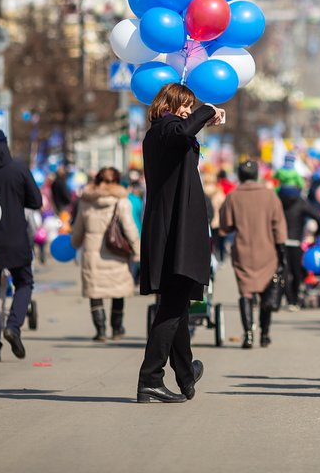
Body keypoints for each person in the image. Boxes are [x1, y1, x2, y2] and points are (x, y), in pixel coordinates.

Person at [137, 83, 225, 403]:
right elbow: (180, 130)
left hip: (175, 230)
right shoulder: (165, 128)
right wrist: (207, 110)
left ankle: (186, 374)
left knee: (178, 305)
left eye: (191, 105)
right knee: (172, 306)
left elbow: (184, 134)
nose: (188, 110)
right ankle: (150, 378)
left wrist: (203, 120)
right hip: (175, 232)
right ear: (168, 105)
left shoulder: (166, 131)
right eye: (183, 104)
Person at [0, 128, 43, 362]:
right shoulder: (19, 169)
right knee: (24, 282)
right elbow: (36, 201)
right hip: (16, 240)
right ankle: (13, 325)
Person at [219, 160, 287, 348]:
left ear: (240, 176)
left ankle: (248, 334)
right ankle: (265, 334)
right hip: (268, 251)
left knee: (246, 292)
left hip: (243, 251)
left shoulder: (233, 197)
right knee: (267, 292)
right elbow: (279, 227)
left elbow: (225, 226)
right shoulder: (270, 196)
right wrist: (282, 253)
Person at [71, 167, 141, 342]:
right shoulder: (122, 201)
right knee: (118, 291)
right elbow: (130, 228)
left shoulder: (86, 201)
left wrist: (74, 244)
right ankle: (117, 329)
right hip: (116, 252)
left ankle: (100, 330)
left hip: (92, 253)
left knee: (95, 292)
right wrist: (137, 250)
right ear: (117, 181)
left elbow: (78, 229)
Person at [278, 181, 320, 309]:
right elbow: (317, 217)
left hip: (281, 240)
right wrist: (317, 234)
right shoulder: (300, 202)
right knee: (297, 271)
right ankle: (295, 299)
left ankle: (289, 299)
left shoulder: (278, 201)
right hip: (296, 241)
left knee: (284, 272)